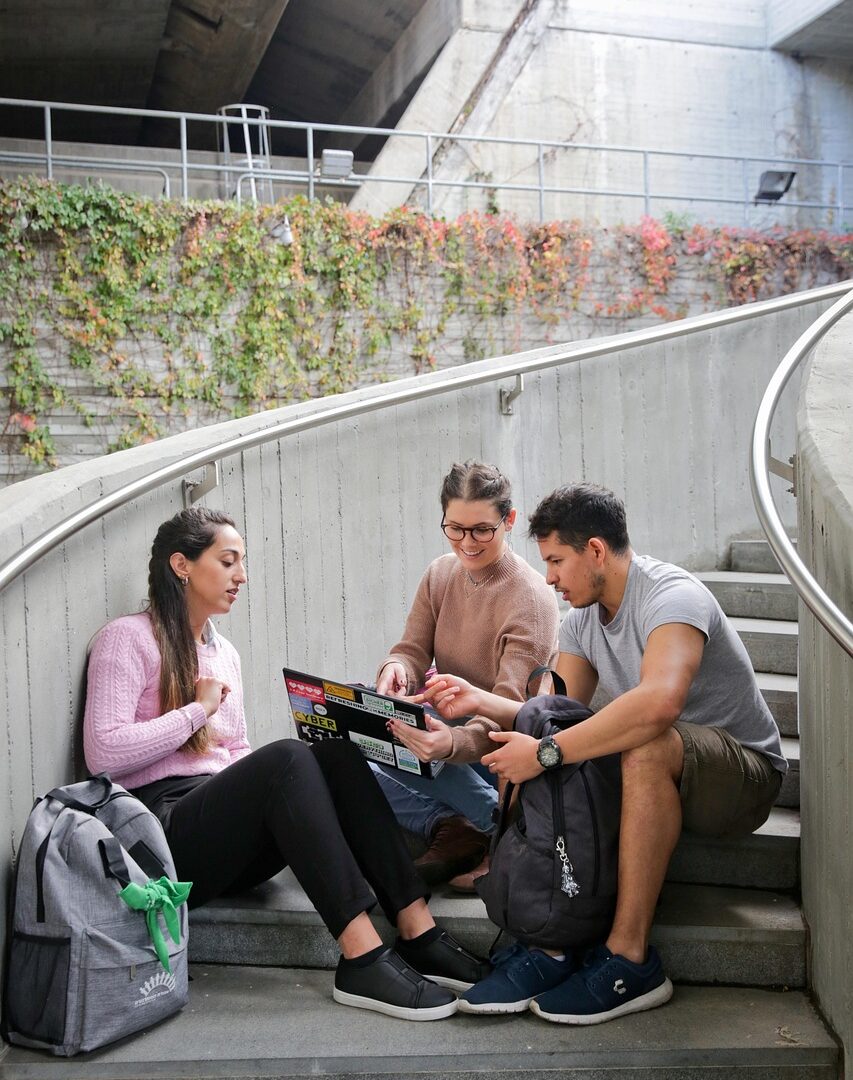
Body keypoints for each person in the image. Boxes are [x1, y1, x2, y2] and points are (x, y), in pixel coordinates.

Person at [83, 506, 490, 1022]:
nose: (241, 576)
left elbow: (236, 755)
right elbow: (105, 753)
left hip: (224, 836)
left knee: (335, 751)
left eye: (243, 563)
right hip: (161, 836)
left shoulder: (223, 653)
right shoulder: (128, 638)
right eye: (227, 562)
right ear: (181, 565)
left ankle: (417, 930)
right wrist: (196, 711)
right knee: (288, 758)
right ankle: (363, 957)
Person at [418, 483, 787, 1023]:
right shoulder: (584, 620)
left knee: (637, 745)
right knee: (546, 730)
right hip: (658, 776)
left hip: (741, 777)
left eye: (557, 562)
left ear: (595, 550)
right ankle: (551, 940)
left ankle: (629, 961)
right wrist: (484, 704)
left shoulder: (672, 596)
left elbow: (660, 704)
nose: (549, 578)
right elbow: (550, 712)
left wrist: (547, 753)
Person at [372, 461, 559, 887]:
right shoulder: (440, 574)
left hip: (499, 754)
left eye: (481, 530)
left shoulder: (530, 600)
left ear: (508, 520)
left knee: (398, 744)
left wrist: (449, 743)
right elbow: (410, 650)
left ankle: (502, 824)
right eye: (454, 528)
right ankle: (452, 824)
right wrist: (396, 670)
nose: (467, 542)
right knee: (343, 748)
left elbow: (508, 711)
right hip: (447, 735)